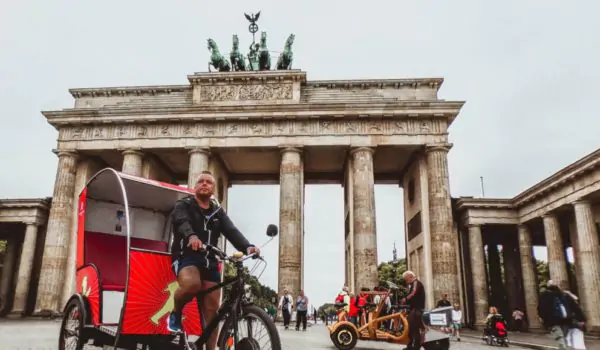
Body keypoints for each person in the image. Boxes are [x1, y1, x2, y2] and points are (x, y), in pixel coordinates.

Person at [167, 171, 260, 350]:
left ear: (213, 189)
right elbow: (181, 221)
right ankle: (176, 313)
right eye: (200, 181)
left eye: (208, 182)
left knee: (212, 314)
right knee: (192, 284)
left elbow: (231, 231)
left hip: (210, 260)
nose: (204, 184)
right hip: (186, 256)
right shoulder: (184, 204)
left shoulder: (217, 212)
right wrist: (191, 236)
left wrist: (248, 247)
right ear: (195, 186)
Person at [538, 280, 573, 350]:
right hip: (565, 318)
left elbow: (541, 308)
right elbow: (572, 305)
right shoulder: (563, 294)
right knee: (564, 337)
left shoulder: (545, 295)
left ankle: (564, 348)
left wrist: (542, 317)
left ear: (548, 286)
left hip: (553, 320)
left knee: (560, 337)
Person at [401, 271, 425, 350]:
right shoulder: (413, 284)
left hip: (416, 309)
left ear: (410, 276)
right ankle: (411, 345)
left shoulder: (416, 283)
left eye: (406, 279)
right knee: (412, 328)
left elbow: (413, 293)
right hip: (415, 309)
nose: (406, 281)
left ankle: (415, 347)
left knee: (413, 328)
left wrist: (405, 299)